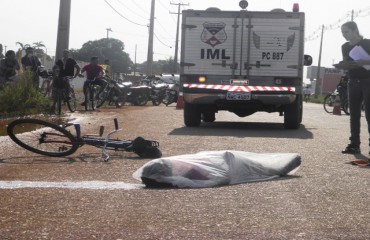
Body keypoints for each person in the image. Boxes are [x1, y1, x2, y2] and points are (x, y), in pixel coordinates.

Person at [340, 21, 370, 156]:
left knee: (369, 115)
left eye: (346, 32)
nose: (344, 35)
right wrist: (343, 65)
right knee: (354, 115)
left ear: (355, 30)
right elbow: (346, 60)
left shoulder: (367, 43)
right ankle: (354, 145)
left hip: (367, 81)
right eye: (342, 32)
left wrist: (366, 62)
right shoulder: (345, 47)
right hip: (352, 82)